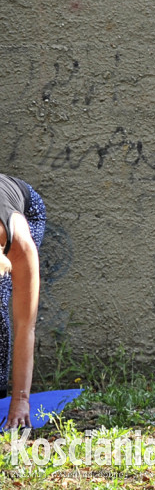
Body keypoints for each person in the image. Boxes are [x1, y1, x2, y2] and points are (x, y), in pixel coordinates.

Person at [0, 173, 44, 430]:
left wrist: (21, 401)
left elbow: (26, 326)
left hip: (25, 206)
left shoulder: (21, 247)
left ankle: (6, 394)